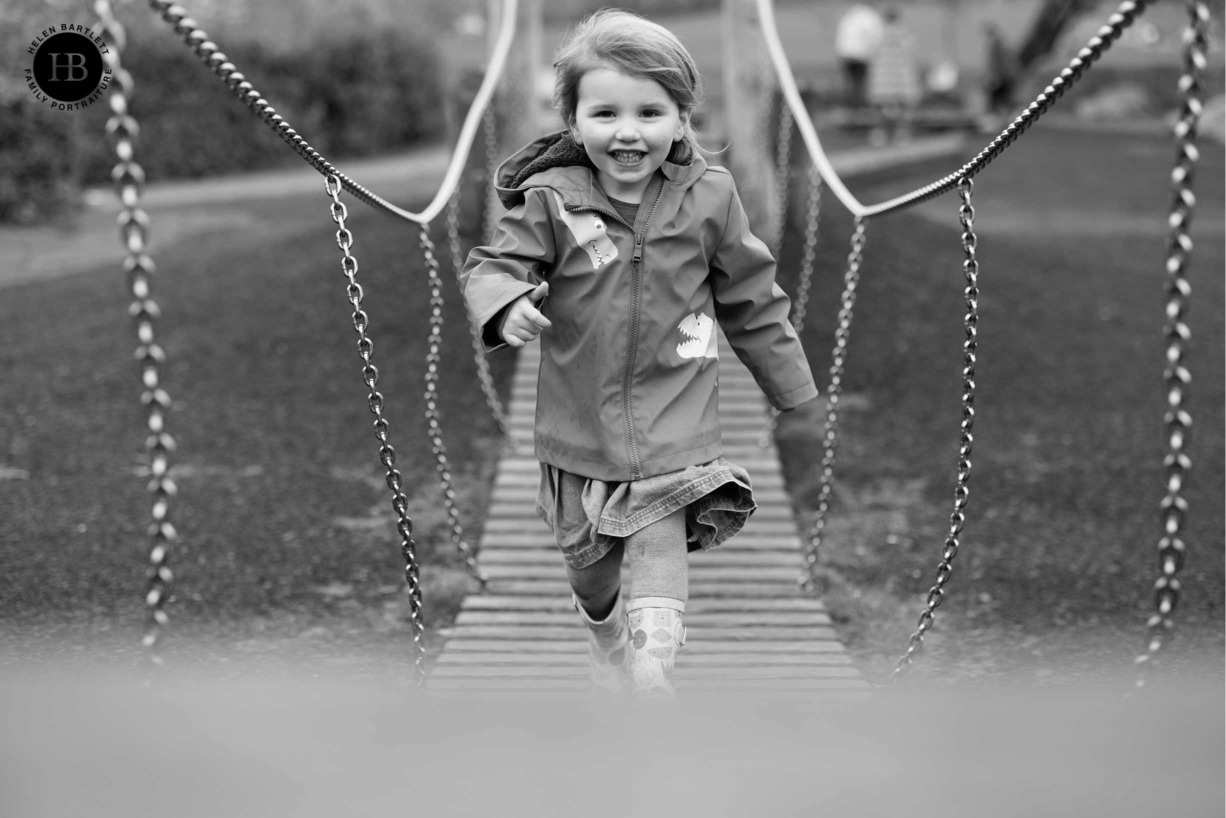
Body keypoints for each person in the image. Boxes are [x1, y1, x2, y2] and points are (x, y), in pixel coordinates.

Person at [462, 9, 818, 699]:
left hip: (673, 418)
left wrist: (794, 390)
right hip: (578, 426)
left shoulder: (709, 196)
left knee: (658, 535)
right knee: (590, 567)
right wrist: (506, 304)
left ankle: (652, 674)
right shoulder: (551, 199)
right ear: (573, 121)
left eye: (650, 112)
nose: (628, 131)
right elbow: (496, 263)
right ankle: (604, 635)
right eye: (606, 113)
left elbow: (751, 296)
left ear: (683, 117)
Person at [866, 6, 921, 145]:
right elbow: (911, 56)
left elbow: (871, 54)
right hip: (899, 78)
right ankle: (901, 134)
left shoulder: (878, 35)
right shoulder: (906, 35)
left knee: (881, 109)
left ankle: (881, 134)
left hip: (884, 78)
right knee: (902, 109)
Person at [834, 3, 884, 111]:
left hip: (846, 52)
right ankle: (858, 106)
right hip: (861, 54)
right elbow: (875, 37)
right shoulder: (871, 16)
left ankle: (850, 106)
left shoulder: (851, 14)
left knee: (850, 81)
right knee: (860, 81)